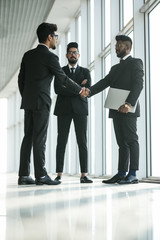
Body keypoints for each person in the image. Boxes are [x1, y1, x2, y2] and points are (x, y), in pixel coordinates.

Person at [18, 23, 86, 185]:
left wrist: (27, 96)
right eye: (55, 36)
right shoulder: (50, 57)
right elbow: (62, 78)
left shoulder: (28, 55)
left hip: (28, 101)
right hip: (42, 102)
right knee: (40, 138)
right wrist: (79, 90)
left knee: (28, 137)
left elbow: (21, 80)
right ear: (49, 37)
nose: (56, 39)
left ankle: (24, 175)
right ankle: (41, 175)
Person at [85, 35, 144, 184]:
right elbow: (104, 82)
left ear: (128, 48)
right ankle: (121, 172)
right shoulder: (115, 68)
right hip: (115, 108)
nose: (116, 47)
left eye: (120, 45)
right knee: (121, 142)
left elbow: (138, 84)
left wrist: (129, 104)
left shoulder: (135, 62)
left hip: (128, 108)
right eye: (116, 45)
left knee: (131, 140)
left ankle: (133, 174)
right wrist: (88, 92)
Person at [54, 42, 93, 183]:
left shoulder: (85, 72)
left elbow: (87, 90)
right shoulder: (60, 70)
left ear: (79, 55)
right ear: (66, 55)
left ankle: (84, 174)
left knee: (82, 141)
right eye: (70, 52)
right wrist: (78, 89)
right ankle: (59, 174)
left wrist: (68, 87)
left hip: (80, 110)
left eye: (75, 52)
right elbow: (58, 89)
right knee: (61, 141)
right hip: (63, 110)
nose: (73, 54)